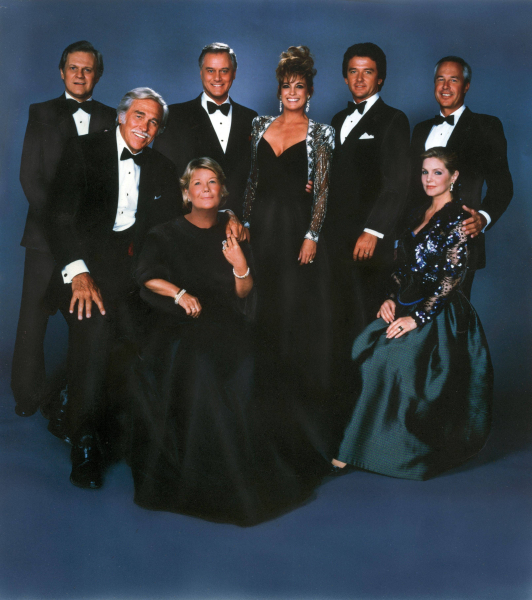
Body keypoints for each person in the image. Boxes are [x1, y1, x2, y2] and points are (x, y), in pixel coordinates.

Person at [129, 158, 322, 526]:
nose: (205, 189)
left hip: (224, 319)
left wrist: (239, 264)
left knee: (252, 358)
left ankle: (246, 469)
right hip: (179, 322)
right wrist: (180, 293)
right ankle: (208, 474)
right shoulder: (163, 233)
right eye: (197, 183)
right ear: (186, 193)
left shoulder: (235, 233)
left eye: (212, 182)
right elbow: (145, 276)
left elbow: (243, 292)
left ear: (222, 192)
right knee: (200, 364)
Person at [331, 147, 493, 481]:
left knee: (390, 359)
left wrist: (415, 319)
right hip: (406, 301)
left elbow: (451, 279)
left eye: (437, 172)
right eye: (424, 172)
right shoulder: (417, 212)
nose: (429, 179)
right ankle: (361, 442)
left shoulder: (460, 218)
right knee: (362, 347)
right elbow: (402, 268)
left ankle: (363, 450)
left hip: (440, 311)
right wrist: (390, 299)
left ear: (454, 176)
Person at [12, 40, 116, 418]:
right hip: (44, 235)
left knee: (87, 318)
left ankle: (81, 398)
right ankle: (27, 394)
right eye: (73, 68)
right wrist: (60, 227)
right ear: (61, 72)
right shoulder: (40, 112)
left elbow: (112, 182)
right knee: (33, 316)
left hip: (90, 241)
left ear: (97, 75)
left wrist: (85, 234)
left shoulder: (111, 116)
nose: (80, 75)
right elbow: (29, 177)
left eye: (88, 69)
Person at [242, 45, 335, 461]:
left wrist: (312, 234)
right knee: (259, 305)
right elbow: (252, 179)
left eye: (299, 86)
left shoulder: (321, 133)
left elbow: (323, 189)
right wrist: (244, 222)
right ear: (278, 91)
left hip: (296, 227)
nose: (292, 92)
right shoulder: (260, 124)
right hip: (260, 227)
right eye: (286, 86)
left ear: (310, 91)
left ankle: (293, 405)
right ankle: (258, 401)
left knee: (292, 309)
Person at [324, 42, 410, 359]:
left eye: (368, 72)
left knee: (368, 316)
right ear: (345, 77)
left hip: (369, 241)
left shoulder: (393, 119)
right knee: (339, 315)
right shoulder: (337, 119)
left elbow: (397, 184)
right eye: (353, 71)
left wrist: (373, 231)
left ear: (380, 78)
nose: (359, 79)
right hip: (335, 238)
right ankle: (343, 384)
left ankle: (369, 385)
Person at [410, 56, 513, 297]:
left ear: (466, 86)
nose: (445, 86)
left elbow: (503, 186)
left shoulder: (486, 126)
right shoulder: (421, 129)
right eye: (440, 79)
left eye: (453, 80)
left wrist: (484, 218)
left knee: (450, 316)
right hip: (416, 239)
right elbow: (410, 187)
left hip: (459, 242)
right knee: (408, 310)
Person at [153, 42, 257, 216]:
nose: (217, 78)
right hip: (188, 221)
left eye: (224, 71)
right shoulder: (174, 116)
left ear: (234, 73)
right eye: (210, 70)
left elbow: (256, 176)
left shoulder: (251, 118)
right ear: (201, 73)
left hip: (239, 221)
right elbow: (161, 177)